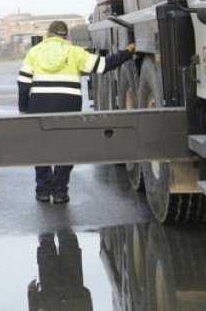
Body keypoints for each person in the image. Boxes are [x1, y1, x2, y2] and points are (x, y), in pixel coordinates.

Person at [18, 20, 133, 203]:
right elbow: (104, 65)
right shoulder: (74, 52)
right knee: (67, 147)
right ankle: (60, 192)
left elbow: (23, 83)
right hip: (67, 104)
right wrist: (127, 52)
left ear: (49, 35)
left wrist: (24, 108)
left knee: (41, 147)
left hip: (39, 104)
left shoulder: (35, 52)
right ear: (66, 36)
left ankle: (43, 191)